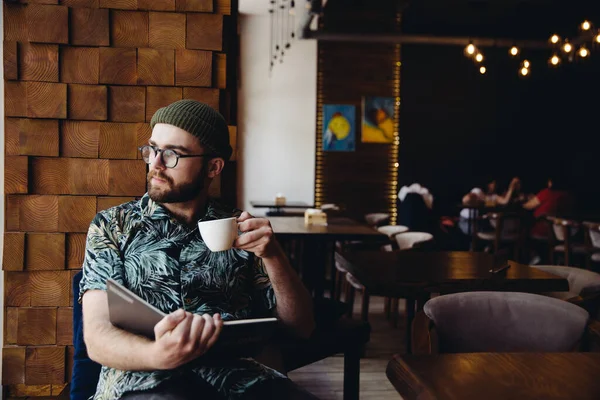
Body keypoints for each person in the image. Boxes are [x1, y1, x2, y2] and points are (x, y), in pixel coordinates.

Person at [79, 100, 317, 400]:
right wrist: (158, 355)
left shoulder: (240, 228)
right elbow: (97, 336)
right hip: (142, 380)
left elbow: (302, 327)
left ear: (213, 167)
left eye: (172, 154)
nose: (155, 163)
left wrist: (274, 256)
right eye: (151, 150)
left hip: (237, 378)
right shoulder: (111, 226)